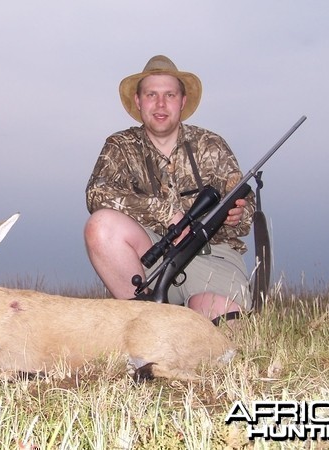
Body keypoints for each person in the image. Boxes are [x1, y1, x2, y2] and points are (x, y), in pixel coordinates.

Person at [84, 55, 255, 324]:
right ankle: (144, 323)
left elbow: (246, 211)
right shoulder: (120, 145)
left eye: (170, 95)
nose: (161, 104)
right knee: (100, 226)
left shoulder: (211, 144)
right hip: (152, 258)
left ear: (182, 101)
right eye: (151, 95)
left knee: (217, 325)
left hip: (213, 257)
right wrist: (167, 214)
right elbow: (97, 194)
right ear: (139, 101)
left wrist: (238, 216)